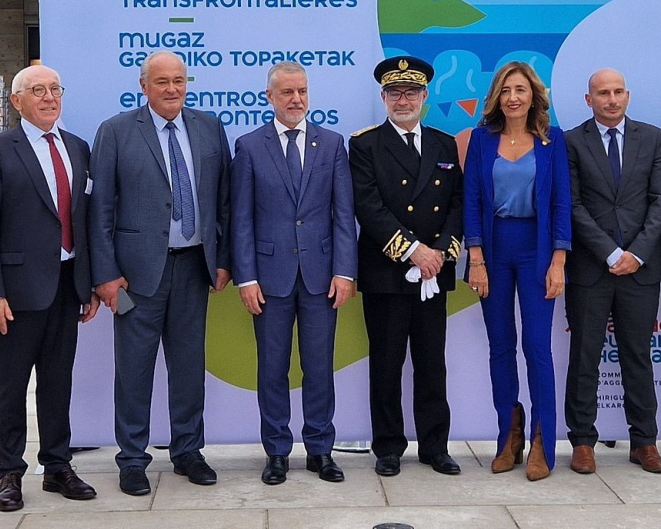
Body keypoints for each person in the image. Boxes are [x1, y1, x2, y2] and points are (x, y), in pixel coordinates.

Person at [88, 51, 231, 497]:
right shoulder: (114, 131)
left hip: (193, 268)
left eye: (179, 81)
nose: (172, 89)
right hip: (135, 277)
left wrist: (223, 257)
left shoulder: (208, 127)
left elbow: (223, 199)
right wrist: (106, 274)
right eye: (162, 81)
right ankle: (132, 459)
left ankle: (188, 451)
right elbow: (100, 210)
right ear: (143, 85)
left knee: (189, 367)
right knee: (134, 370)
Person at [0, 65, 100, 512]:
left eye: (54, 90)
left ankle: (57, 465)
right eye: (37, 91)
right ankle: (9, 472)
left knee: (57, 382)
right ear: (17, 101)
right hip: (15, 290)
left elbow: (85, 222)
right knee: (9, 385)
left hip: (66, 287)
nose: (48, 98)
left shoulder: (79, 148)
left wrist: (87, 284)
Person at [231, 61, 357, 485]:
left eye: (302, 91)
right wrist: (246, 278)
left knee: (320, 367)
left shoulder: (332, 143)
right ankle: (277, 452)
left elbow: (344, 215)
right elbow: (241, 219)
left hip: (322, 277)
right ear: (269, 96)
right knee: (272, 368)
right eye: (287, 92)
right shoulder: (249, 146)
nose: (296, 100)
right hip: (269, 278)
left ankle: (321, 449)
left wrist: (345, 271)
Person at [348, 57, 464, 478]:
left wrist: (441, 253)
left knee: (433, 363)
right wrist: (413, 251)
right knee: (387, 363)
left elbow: (456, 204)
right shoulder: (364, 145)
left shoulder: (444, 143)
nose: (403, 100)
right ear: (383, 97)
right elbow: (369, 207)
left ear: (424, 97)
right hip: (387, 272)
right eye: (395, 93)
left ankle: (436, 446)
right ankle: (389, 447)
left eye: (411, 92)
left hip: (434, 272)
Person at [463, 61, 571, 481]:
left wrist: (558, 261)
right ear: (496, 97)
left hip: (538, 252)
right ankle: (508, 435)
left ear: (533, 96)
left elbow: (562, 203)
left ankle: (544, 440)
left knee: (538, 349)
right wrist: (476, 258)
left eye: (521, 90)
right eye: (506, 90)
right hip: (492, 252)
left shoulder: (552, 142)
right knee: (501, 347)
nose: (513, 97)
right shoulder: (481, 141)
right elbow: (472, 201)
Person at [563, 69, 661, 475]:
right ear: (588, 99)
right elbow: (572, 205)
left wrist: (637, 254)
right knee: (585, 356)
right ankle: (583, 441)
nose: (611, 99)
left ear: (628, 95)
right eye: (602, 93)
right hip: (593, 266)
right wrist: (610, 252)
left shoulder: (653, 137)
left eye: (618, 92)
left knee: (638, 356)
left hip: (640, 269)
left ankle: (644, 441)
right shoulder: (572, 141)